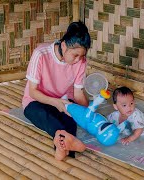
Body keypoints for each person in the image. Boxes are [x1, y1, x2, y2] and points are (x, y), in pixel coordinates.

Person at [22, 21, 90, 160]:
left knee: (70, 116)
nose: (78, 60)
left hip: (63, 100)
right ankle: (65, 142)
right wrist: (56, 102)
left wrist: (86, 112)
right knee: (41, 114)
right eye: (75, 55)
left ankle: (62, 147)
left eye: (81, 56)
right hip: (36, 101)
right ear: (64, 45)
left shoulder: (81, 62)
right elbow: (33, 91)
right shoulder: (41, 54)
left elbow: (77, 94)